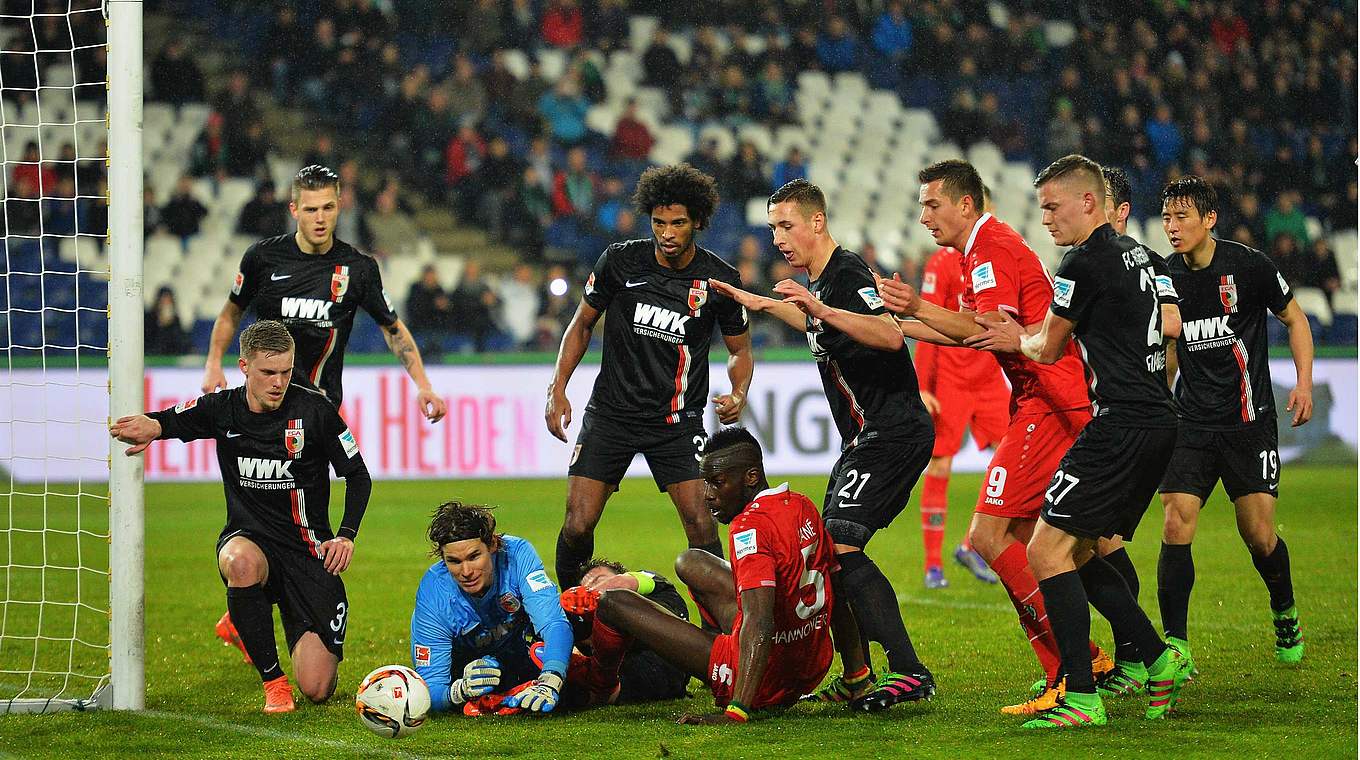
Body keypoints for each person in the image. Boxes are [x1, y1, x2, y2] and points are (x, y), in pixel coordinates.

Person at [877, 160, 1112, 714]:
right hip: (1043, 397)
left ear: (965, 204)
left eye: (932, 204)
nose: (923, 215)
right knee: (1055, 541)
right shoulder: (978, 251)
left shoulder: (990, 249)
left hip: (1049, 400)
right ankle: (1107, 660)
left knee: (990, 535)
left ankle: (1086, 664)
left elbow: (989, 331)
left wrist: (917, 308)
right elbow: (974, 329)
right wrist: (905, 326)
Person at [970, 154, 1193, 728]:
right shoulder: (1141, 253)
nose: (1044, 218)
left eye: (1051, 206)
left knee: (1045, 550)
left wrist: (1013, 337)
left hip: (1118, 424)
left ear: (1087, 202)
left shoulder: (1080, 261)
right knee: (1082, 549)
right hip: (1159, 419)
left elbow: (1045, 348)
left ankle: (1080, 696)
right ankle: (1157, 656)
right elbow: (1168, 327)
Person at [709, 179, 935, 711]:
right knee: (827, 550)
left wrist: (821, 307)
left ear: (817, 222)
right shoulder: (821, 286)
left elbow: (889, 335)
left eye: (787, 226)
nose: (779, 239)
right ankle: (859, 676)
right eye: (773, 229)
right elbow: (813, 320)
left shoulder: (848, 273)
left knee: (841, 543)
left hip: (893, 430)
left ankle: (909, 670)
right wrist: (760, 303)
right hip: (864, 438)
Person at [110, 321, 373, 714]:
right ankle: (273, 683)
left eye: (285, 371)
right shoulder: (223, 408)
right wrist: (151, 425)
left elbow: (358, 476)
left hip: (309, 553)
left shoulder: (315, 410)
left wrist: (346, 535)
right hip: (250, 540)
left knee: (318, 688)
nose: (278, 382)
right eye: (268, 372)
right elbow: (173, 419)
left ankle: (247, 617)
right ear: (245, 366)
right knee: (240, 562)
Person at [545, 164, 753, 590]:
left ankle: (721, 632)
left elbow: (739, 349)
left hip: (677, 423)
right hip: (611, 415)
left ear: (697, 221)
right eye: (659, 222)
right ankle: (573, 619)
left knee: (702, 527)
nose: (667, 233)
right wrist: (558, 388)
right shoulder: (621, 261)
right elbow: (581, 324)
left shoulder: (720, 281)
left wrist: (739, 390)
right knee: (578, 524)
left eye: (678, 223)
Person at [1156, 176, 1314, 668]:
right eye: (1166, 217)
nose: (1172, 227)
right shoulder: (1166, 275)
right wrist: (1162, 394)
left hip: (1249, 422)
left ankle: (1284, 610)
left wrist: (1303, 382)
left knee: (1259, 535)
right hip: (1192, 424)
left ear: (1209, 220)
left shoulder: (1249, 266)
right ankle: (1176, 644)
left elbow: (1297, 321)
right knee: (1176, 519)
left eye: (1182, 217)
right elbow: (1173, 344)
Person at [586, 427, 837, 723]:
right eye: (706, 483)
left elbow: (759, 621)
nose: (708, 496)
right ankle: (717, 650)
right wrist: (857, 675)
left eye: (717, 483)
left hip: (765, 680)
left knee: (613, 603)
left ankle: (599, 687)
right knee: (690, 562)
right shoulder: (800, 504)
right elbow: (839, 586)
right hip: (809, 665)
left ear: (751, 477)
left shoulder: (749, 528)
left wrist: (738, 710)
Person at [200, 165, 446, 421]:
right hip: (263, 411)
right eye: (311, 209)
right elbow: (231, 314)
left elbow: (393, 329)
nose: (320, 218)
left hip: (318, 414)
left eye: (327, 208)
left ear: (339, 206)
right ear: (294, 209)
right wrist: (213, 364)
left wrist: (424, 386)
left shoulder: (358, 268)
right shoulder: (262, 258)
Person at [911, 184, 1008, 589]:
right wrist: (922, 384)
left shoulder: (995, 254)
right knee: (941, 465)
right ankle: (934, 565)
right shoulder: (943, 261)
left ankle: (970, 544)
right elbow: (928, 322)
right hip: (951, 377)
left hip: (987, 376)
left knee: (1013, 458)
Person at [410, 500, 571, 716]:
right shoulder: (434, 592)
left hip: (519, 652)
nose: (466, 571)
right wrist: (459, 691)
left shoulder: (518, 555)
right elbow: (430, 689)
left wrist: (550, 682)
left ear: (493, 545)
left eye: (474, 556)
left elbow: (554, 623)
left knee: (561, 654)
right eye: (454, 561)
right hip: (465, 670)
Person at [557, 558, 692, 704]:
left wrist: (594, 595)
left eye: (599, 579)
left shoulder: (661, 592)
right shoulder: (590, 631)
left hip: (666, 664)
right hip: (627, 674)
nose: (590, 588)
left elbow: (625, 584)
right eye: (586, 587)